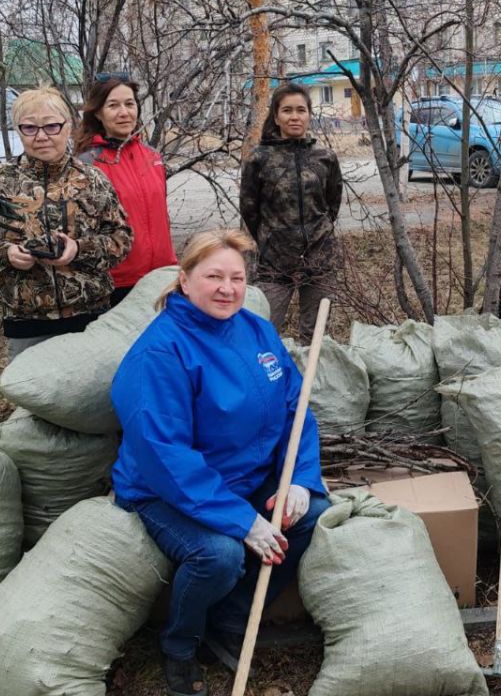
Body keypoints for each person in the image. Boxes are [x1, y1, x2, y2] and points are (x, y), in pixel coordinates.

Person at [111, 228, 328, 696]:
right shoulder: (161, 351)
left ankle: (229, 621)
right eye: (213, 276)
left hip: (246, 477)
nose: (228, 288)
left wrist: (301, 479)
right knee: (219, 554)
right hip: (166, 489)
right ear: (185, 280)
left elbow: (297, 406)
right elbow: (164, 455)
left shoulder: (255, 328)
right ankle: (179, 645)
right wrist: (243, 521)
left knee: (309, 517)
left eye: (237, 277)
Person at [0, 87, 133, 360]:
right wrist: (6, 254)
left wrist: (79, 249)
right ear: (18, 130)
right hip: (27, 321)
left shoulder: (93, 180)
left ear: (68, 127)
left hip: (89, 317)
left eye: (51, 126)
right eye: (29, 127)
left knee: (91, 398)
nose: (41, 136)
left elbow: (121, 238)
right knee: (35, 396)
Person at [240, 83, 342, 343]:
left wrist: (318, 234)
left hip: (320, 258)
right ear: (276, 116)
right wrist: (271, 238)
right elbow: (250, 210)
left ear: (309, 114)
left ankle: (311, 382)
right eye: (287, 110)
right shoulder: (259, 159)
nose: (294, 116)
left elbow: (332, 205)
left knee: (315, 336)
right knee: (265, 333)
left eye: (301, 110)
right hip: (274, 262)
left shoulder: (325, 157)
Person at [74, 74, 177, 306]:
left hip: (163, 276)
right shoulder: (86, 164)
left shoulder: (152, 157)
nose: (124, 112)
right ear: (98, 113)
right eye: (113, 105)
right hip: (116, 283)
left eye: (129, 104)